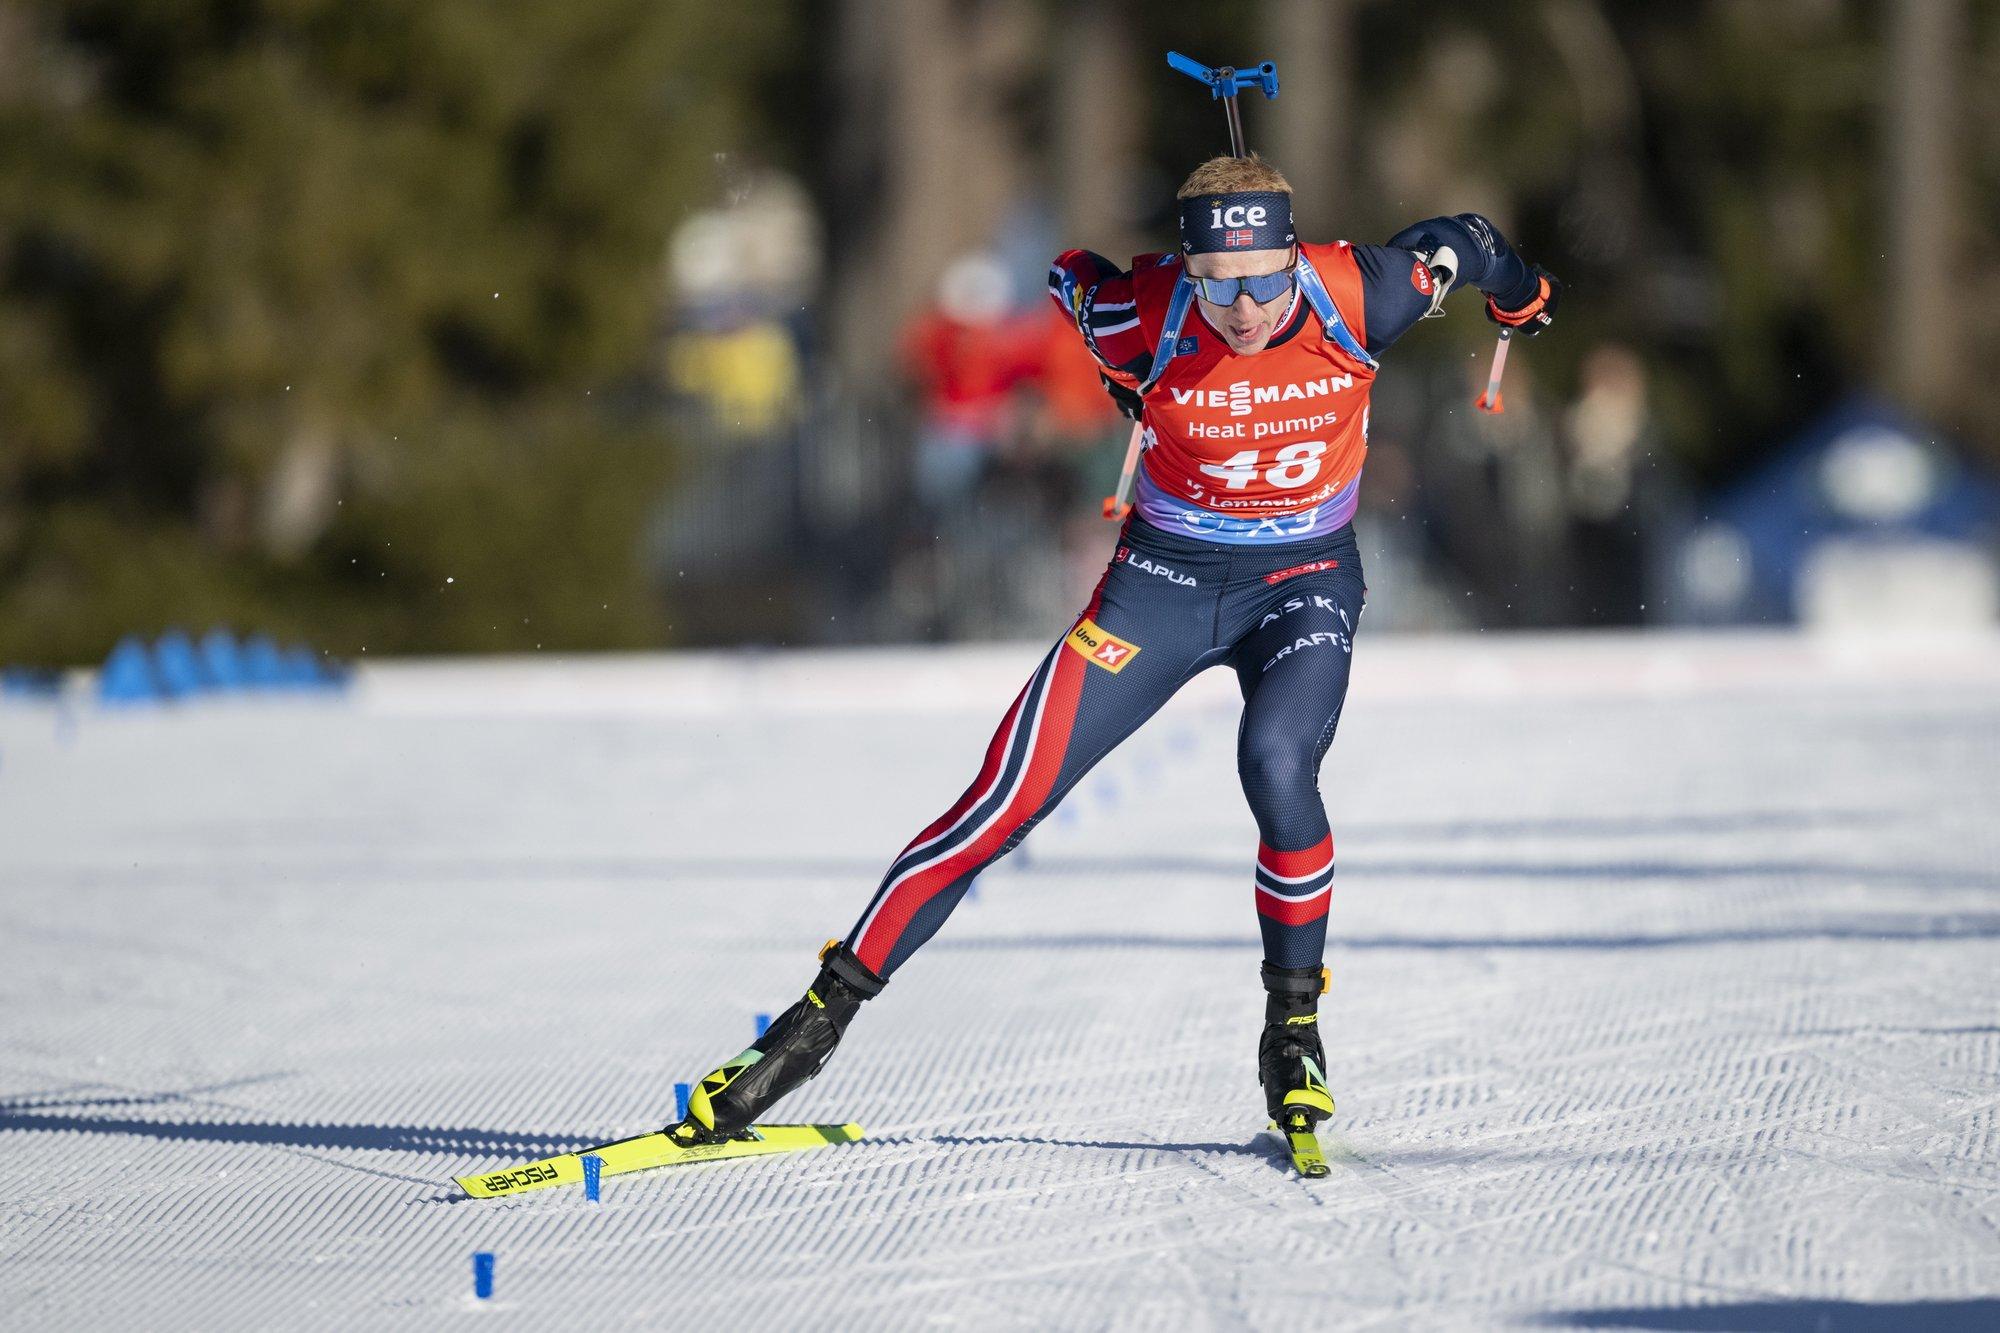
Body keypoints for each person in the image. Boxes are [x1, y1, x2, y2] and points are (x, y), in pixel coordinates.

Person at [670, 153, 1561, 1152]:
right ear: (1186, 271)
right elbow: (1065, 273)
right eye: (1216, 284)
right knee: (1002, 798)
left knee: (1275, 765)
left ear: (1293, 254)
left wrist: (1522, 301)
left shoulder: (1364, 288)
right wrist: (1110, 368)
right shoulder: (1140, 309)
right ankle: (807, 1028)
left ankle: (1293, 1030)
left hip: (1299, 582)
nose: (1244, 307)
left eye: (1266, 277)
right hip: (1160, 587)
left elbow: (1473, 243)